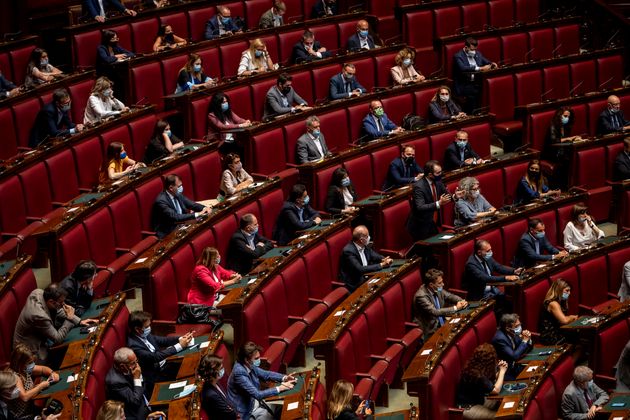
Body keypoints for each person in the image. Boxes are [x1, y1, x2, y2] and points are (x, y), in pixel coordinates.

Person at [13, 284, 96, 363]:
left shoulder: (39, 292)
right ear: (51, 301)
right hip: (30, 352)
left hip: (41, 338)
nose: (64, 305)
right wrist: (69, 319)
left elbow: (58, 310)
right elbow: (58, 339)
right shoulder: (38, 315)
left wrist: (79, 321)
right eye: (61, 303)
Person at [127, 311, 194, 395]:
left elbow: (161, 340)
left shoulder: (144, 334)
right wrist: (180, 346)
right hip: (155, 376)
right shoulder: (133, 345)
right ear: (137, 329)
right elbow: (154, 357)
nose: (149, 328)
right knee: (187, 379)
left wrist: (180, 338)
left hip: (164, 365)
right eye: (147, 326)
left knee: (190, 367)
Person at [227, 341, 296, 419]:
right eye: (256, 358)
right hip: (247, 411)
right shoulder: (239, 372)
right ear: (246, 359)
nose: (259, 360)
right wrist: (281, 388)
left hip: (255, 402)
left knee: (285, 409)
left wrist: (285, 377)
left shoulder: (248, 364)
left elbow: (266, 374)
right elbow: (257, 394)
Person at [406, 160, 460, 240]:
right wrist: (439, 203)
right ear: (430, 174)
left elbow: (447, 196)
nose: (440, 174)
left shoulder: (438, 182)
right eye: (438, 173)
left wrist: (455, 196)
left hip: (432, 223)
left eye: (441, 172)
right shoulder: (419, 187)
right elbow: (420, 207)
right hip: (420, 225)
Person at [455, 343, 507, 419]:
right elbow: (495, 390)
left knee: (504, 401)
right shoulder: (476, 374)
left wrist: (500, 370)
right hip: (468, 408)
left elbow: (489, 382)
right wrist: (502, 371)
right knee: (500, 417)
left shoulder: (476, 366)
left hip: (479, 400)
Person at [7, 344, 59, 417]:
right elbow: (24, 397)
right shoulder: (13, 376)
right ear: (20, 363)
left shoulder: (23, 369)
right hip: (24, 415)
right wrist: (40, 386)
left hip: (32, 406)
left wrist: (52, 373)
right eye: (29, 363)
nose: (31, 365)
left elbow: (42, 369)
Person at [414, 269, 468, 339]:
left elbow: (449, 296)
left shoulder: (437, 288)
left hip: (442, 323)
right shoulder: (421, 296)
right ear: (431, 284)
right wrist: (456, 308)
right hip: (430, 330)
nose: (443, 284)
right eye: (440, 283)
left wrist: (461, 301)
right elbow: (435, 311)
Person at [151, 174, 210, 238]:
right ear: (171, 188)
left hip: (183, 224)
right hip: (169, 230)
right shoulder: (161, 201)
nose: (181, 188)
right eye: (179, 186)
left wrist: (204, 208)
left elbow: (191, 204)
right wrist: (197, 214)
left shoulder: (176, 193)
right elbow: (175, 217)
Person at [338, 225, 391, 292]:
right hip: (355, 283)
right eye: (367, 236)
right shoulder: (348, 251)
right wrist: (381, 265)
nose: (369, 237)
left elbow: (373, 255)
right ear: (361, 240)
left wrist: (384, 259)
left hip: (366, 277)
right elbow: (360, 269)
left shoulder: (363, 245)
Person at [453, 37, 497, 114]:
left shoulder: (478, 54)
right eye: (472, 50)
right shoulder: (458, 56)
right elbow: (463, 68)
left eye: (475, 49)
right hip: (465, 85)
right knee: (474, 94)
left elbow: (486, 62)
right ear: (466, 47)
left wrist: (492, 64)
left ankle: (482, 114)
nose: (474, 52)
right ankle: (474, 115)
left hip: (478, 83)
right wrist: (480, 68)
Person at [105, 347, 150, 420]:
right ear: (122, 366)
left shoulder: (130, 367)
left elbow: (142, 385)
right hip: (137, 414)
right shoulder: (115, 382)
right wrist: (137, 378)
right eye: (133, 363)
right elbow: (135, 401)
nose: (137, 365)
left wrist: (138, 378)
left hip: (145, 399)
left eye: (136, 361)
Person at [491, 314, 533, 381]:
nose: (519, 327)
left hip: (515, 366)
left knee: (535, 372)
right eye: (516, 326)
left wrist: (528, 339)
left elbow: (524, 348)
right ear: (507, 328)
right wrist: (524, 341)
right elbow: (514, 356)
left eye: (519, 324)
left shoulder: (512, 333)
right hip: (506, 372)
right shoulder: (500, 339)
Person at [539, 279, 578, 345]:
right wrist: (572, 317)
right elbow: (564, 321)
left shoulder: (560, 301)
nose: (569, 293)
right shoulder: (553, 303)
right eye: (567, 290)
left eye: (569, 291)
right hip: (551, 336)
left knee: (580, 336)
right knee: (579, 340)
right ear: (559, 290)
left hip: (559, 331)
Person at [198, 354, 237, 419]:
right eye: (221, 368)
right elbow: (231, 415)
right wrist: (232, 409)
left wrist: (231, 408)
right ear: (212, 372)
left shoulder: (215, 382)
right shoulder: (210, 394)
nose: (223, 369)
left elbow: (228, 401)